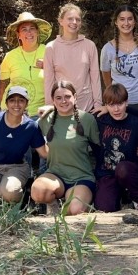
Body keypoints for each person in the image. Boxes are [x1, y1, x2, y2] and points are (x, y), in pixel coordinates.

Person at [93, 84, 138, 221]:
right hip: (108, 173)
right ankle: (122, 200)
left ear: (126, 102)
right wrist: (51, 109)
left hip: (131, 173)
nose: (116, 109)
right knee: (104, 208)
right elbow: (76, 119)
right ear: (106, 106)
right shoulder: (100, 120)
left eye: (120, 104)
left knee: (123, 168)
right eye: (111, 105)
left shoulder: (136, 123)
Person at [30, 81, 100, 216]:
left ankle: (73, 206)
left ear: (75, 97)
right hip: (55, 175)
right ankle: (53, 206)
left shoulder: (87, 119)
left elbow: (99, 149)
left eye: (67, 97)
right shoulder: (46, 119)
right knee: (38, 191)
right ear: (53, 100)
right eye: (58, 98)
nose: (63, 101)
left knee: (75, 210)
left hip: (81, 177)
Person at [0, 87, 48, 210]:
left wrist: (51, 126)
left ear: (26, 104)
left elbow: (44, 153)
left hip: (17, 166)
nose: (16, 104)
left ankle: (21, 199)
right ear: (6, 103)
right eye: (12, 100)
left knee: (9, 193)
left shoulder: (31, 126)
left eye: (21, 100)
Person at [43, 4, 102, 113]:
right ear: (61, 21)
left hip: (87, 107)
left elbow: (95, 77)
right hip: (62, 108)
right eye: (70, 19)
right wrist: (49, 106)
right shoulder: (51, 47)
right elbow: (49, 81)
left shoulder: (89, 46)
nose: (74, 22)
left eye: (77, 19)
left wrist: (98, 103)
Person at [100, 5, 138, 112]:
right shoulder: (107, 49)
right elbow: (107, 81)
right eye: (122, 19)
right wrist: (115, 98)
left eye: (130, 19)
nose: (126, 23)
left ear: (135, 21)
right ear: (116, 22)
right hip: (119, 104)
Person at [0, 11, 52, 118]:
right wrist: (5, 109)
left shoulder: (49, 52)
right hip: (12, 114)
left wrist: (48, 66)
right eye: (24, 29)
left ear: (37, 32)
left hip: (40, 113)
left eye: (32, 28)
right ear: (18, 35)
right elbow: (3, 86)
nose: (29, 33)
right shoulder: (10, 56)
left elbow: (61, 78)